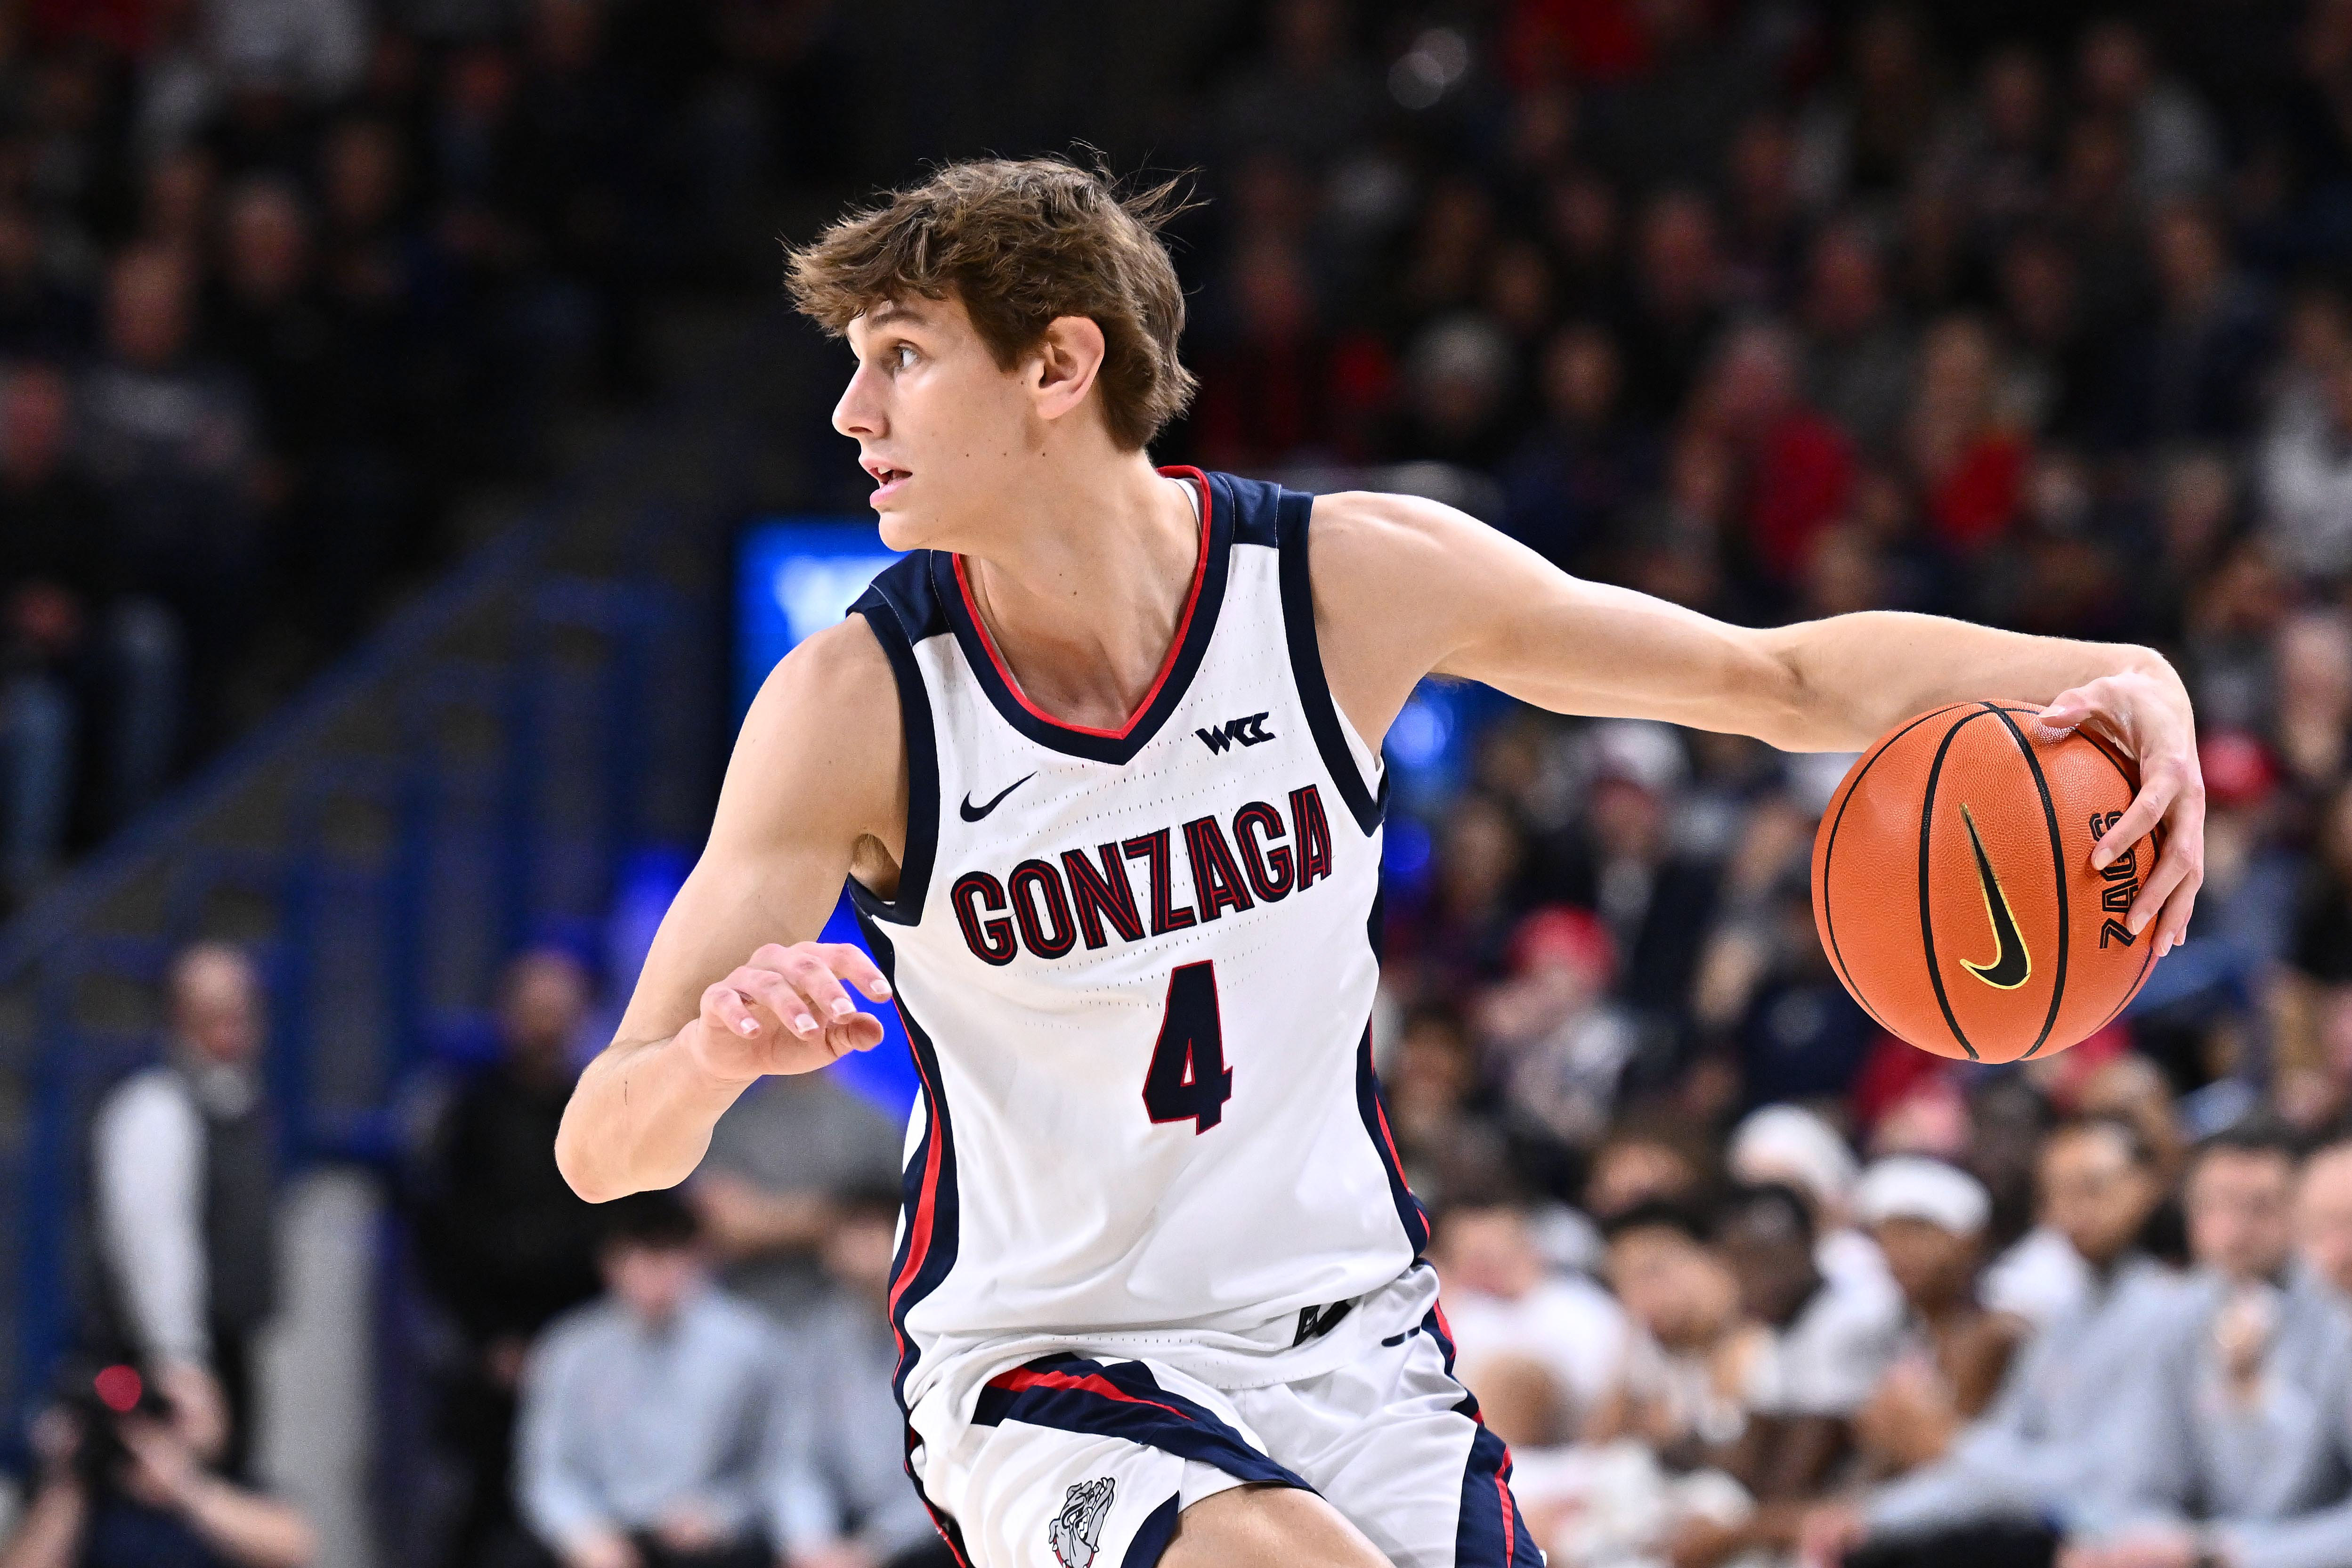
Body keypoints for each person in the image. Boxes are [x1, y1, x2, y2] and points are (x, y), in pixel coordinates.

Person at [550, 157, 2207, 1568]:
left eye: (901, 356)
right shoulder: (857, 699)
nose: (851, 412)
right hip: (1048, 1363)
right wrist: (706, 1055)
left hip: (1359, 1343)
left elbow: (1768, 680)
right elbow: (601, 1145)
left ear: (1058, 364)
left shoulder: (1340, 584)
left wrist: (2113, 669)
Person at [1806, 1116, 2187, 1568]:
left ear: (2147, 1187)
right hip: (2053, 1528)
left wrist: (1951, 1444)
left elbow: (2109, 1483)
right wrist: (1873, 1516)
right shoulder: (2063, 1318)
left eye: (2093, 1189)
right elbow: (1995, 1457)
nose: (2074, 1212)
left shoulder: (2171, 1310)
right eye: (2056, 1194)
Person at [2065, 1122, 2352, 1568]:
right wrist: (2147, 1545)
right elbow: (2137, 1484)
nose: (2234, 1232)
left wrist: (2224, 1554)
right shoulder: (2175, 1318)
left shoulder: (2338, 1314)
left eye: (2260, 1208)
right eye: (2213, 1208)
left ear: (2299, 1213)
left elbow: (2302, 1506)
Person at [413, 947, 605, 1568]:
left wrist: (584, 1343)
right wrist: (491, 1338)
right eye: (533, 1011)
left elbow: (617, 1229)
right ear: (506, 1015)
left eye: (559, 1011)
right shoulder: (466, 1111)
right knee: (478, 1508)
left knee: (583, 1507)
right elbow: (441, 1234)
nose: (546, 1025)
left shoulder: (604, 1105)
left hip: (588, 1346)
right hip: (485, 1352)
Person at [82, 943, 277, 1482]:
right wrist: (181, 1363)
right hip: (157, 1366)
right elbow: (155, 1244)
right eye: (213, 1016)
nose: (232, 1031)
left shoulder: (242, 1105)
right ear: (179, 1018)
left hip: (227, 1353)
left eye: (242, 1013)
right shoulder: (156, 1108)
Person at [514, 1192, 787, 1568]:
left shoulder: (752, 1345)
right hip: (604, 1532)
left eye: (666, 1255)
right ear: (609, 1264)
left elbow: (777, 1462)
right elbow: (547, 1469)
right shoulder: (570, 1349)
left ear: (700, 1259)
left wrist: (723, 1513)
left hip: (710, 1538)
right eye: (636, 1256)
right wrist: (583, 1532)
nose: (652, 1273)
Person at [773, 1186, 959, 1568]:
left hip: (931, 1533)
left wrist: (874, 1548)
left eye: (875, 1232)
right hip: (842, 1532)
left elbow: (957, 1470)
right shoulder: (816, 1336)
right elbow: (795, 1459)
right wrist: (810, 1541)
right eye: (850, 1234)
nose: (862, 1249)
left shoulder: (952, 1333)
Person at [0, 1375, 315, 1568]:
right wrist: (70, 1474)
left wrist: (184, 1485)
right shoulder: (85, 1500)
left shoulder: (231, 1487)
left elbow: (294, 1546)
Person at [1848, 1157, 2023, 1481]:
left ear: (1970, 1239)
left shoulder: (1997, 1335)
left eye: (1917, 1231)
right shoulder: (1905, 1340)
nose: (1899, 1250)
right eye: (1888, 1234)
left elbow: (1953, 1467)